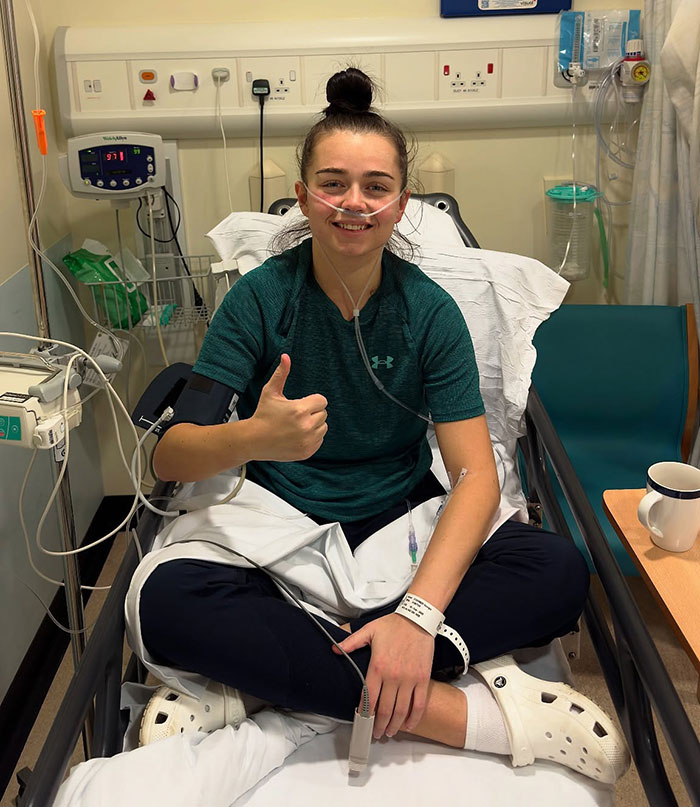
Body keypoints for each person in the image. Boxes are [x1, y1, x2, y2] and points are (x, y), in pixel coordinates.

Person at [132, 68, 629, 784]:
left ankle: (263, 689)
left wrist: (418, 615)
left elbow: (475, 475)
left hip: (401, 515)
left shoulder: (429, 312)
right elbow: (170, 458)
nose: (353, 204)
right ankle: (476, 717)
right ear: (303, 199)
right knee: (164, 600)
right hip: (280, 520)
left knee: (556, 571)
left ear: (401, 204)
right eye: (332, 184)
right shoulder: (256, 300)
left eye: (375, 187)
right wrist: (254, 439)